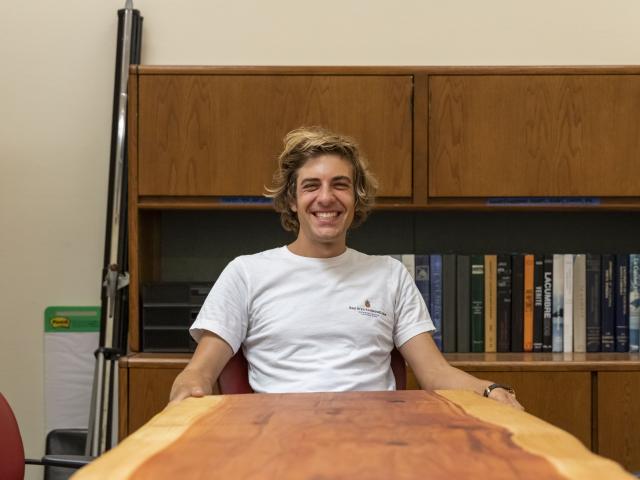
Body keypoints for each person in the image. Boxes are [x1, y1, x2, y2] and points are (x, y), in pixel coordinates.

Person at [169, 127, 523, 410]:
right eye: (311, 186)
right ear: (292, 200)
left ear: (356, 198)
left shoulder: (390, 275)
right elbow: (200, 371)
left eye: (340, 185)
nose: (326, 198)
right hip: (278, 443)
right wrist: (187, 393)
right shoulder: (246, 273)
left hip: (376, 441)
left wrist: (490, 390)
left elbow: (434, 373)